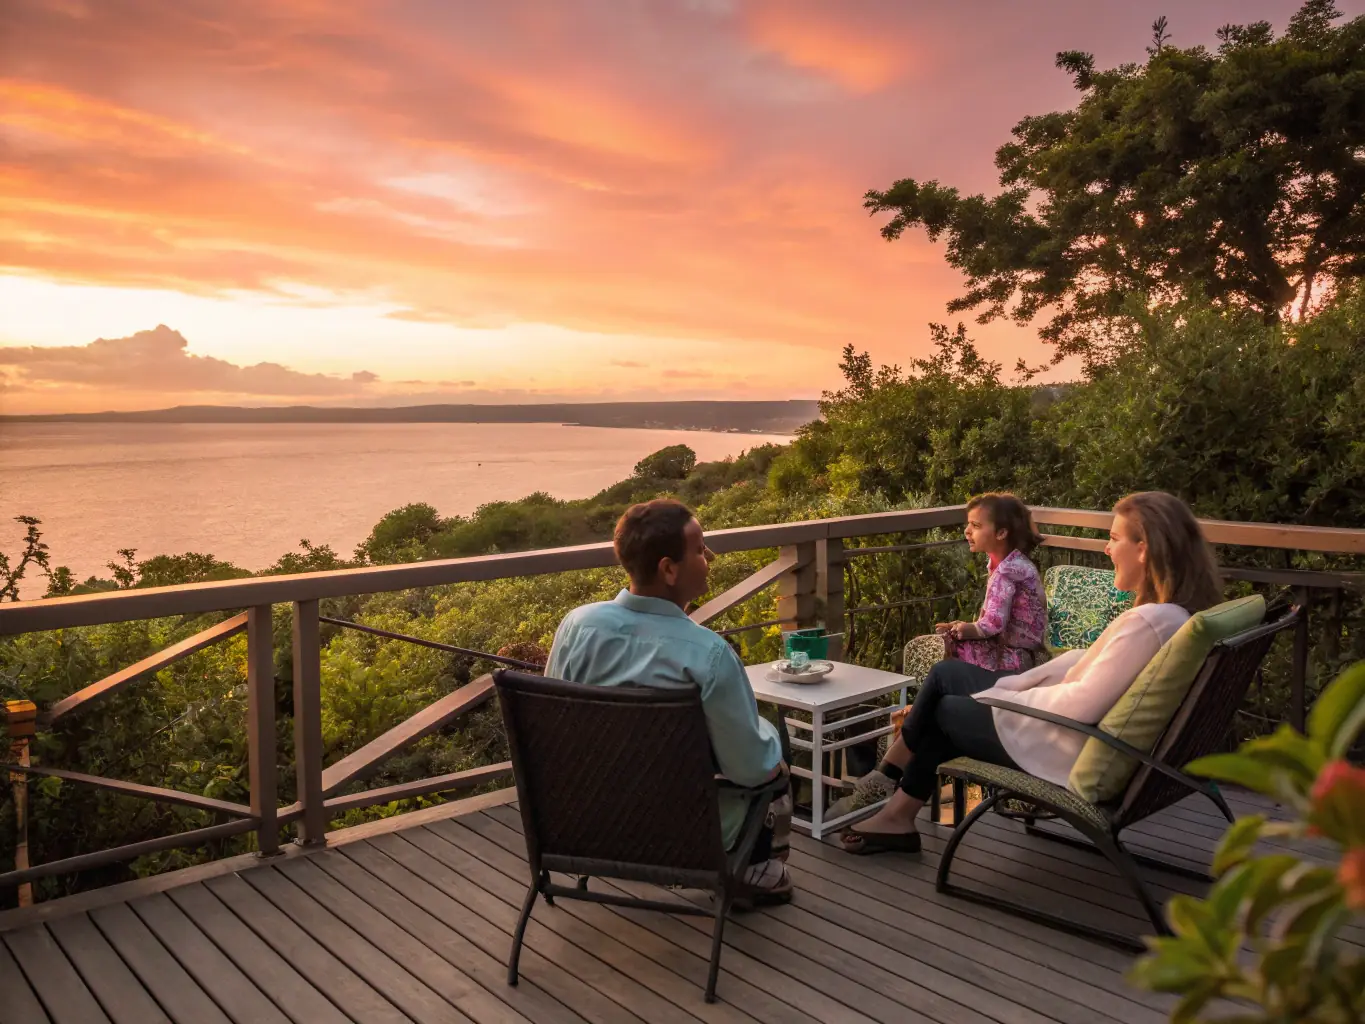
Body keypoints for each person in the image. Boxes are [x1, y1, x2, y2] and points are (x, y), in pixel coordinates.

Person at [839, 491, 1222, 855]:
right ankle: (896, 801)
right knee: (946, 676)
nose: (1106, 548)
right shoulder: (1174, 617)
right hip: (1067, 728)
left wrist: (1013, 698)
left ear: (1145, 549)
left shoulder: (1149, 622)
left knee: (945, 711)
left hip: (1057, 742)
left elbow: (1082, 704)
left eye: (1113, 537)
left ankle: (895, 801)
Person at [546, 498, 794, 903]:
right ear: (669, 569)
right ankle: (755, 869)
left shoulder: (577, 626)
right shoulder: (708, 655)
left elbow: (556, 729)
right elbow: (751, 770)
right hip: (684, 834)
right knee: (772, 746)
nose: (710, 556)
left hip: (587, 824)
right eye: (699, 548)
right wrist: (766, 735)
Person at [934, 493, 1047, 672]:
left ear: (1001, 533)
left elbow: (993, 624)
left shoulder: (1008, 571)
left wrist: (965, 629)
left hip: (1016, 657)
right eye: (968, 524)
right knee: (944, 645)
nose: (967, 531)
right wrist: (962, 626)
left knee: (943, 649)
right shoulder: (1011, 563)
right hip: (1017, 650)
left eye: (976, 525)